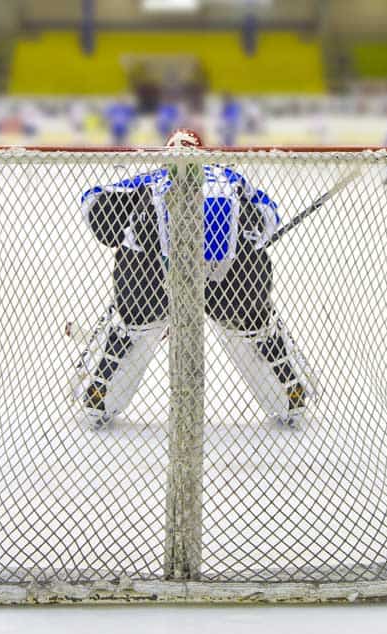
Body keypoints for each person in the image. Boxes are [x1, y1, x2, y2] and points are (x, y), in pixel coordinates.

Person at [75, 128, 310, 427]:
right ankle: (289, 393)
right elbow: (268, 218)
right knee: (253, 324)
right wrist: (249, 237)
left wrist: (128, 230)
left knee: (133, 323)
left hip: (152, 275)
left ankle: (100, 393)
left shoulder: (151, 179)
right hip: (233, 278)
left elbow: (94, 204)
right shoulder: (230, 178)